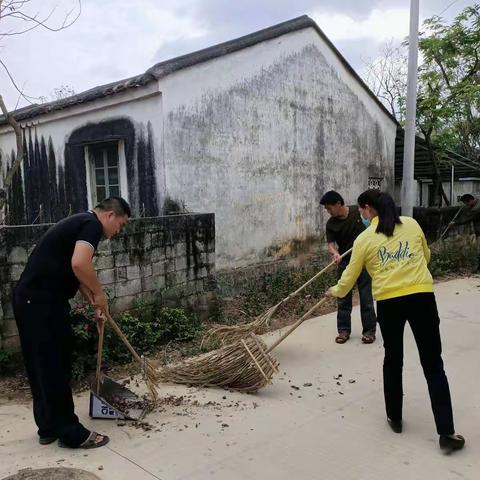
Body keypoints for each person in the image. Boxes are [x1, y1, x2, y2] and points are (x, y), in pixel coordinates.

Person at [326, 189, 465, 452]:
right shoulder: (411, 225)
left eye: (363, 211)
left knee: (393, 359)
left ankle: (395, 418)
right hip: (422, 298)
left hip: (390, 304)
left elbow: (348, 278)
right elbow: (426, 256)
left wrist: (334, 291)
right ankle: (447, 433)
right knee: (433, 363)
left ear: (368, 209)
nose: (362, 216)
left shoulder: (364, 239)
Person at [13, 197, 131, 449]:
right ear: (109, 216)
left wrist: (94, 304)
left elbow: (73, 273)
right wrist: (100, 294)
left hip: (29, 300)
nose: (117, 232)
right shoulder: (92, 225)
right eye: (120, 225)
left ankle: (48, 427)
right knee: (56, 365)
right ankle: (70, 432)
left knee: (41, 365)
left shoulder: (77, 222)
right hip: (43, 302)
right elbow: (80, 263)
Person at [320, 190, 376, 344]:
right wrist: (335, 253)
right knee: (343, 298)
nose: (328, 212)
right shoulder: (331, 224)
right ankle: (344, 331)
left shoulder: (357, 212)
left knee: (366, 298)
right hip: (345, 262)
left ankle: (369, 332)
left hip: (364, 262)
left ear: (339, 204)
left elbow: (372, 227)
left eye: (329, 208)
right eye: (326, 209)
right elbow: (330, 245)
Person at [449, 193, 480, 271]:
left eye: (466, 203)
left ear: (470, 200)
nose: (466, 205)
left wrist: (455, 223)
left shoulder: (476, 209)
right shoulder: (477, 202)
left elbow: (467, 219)